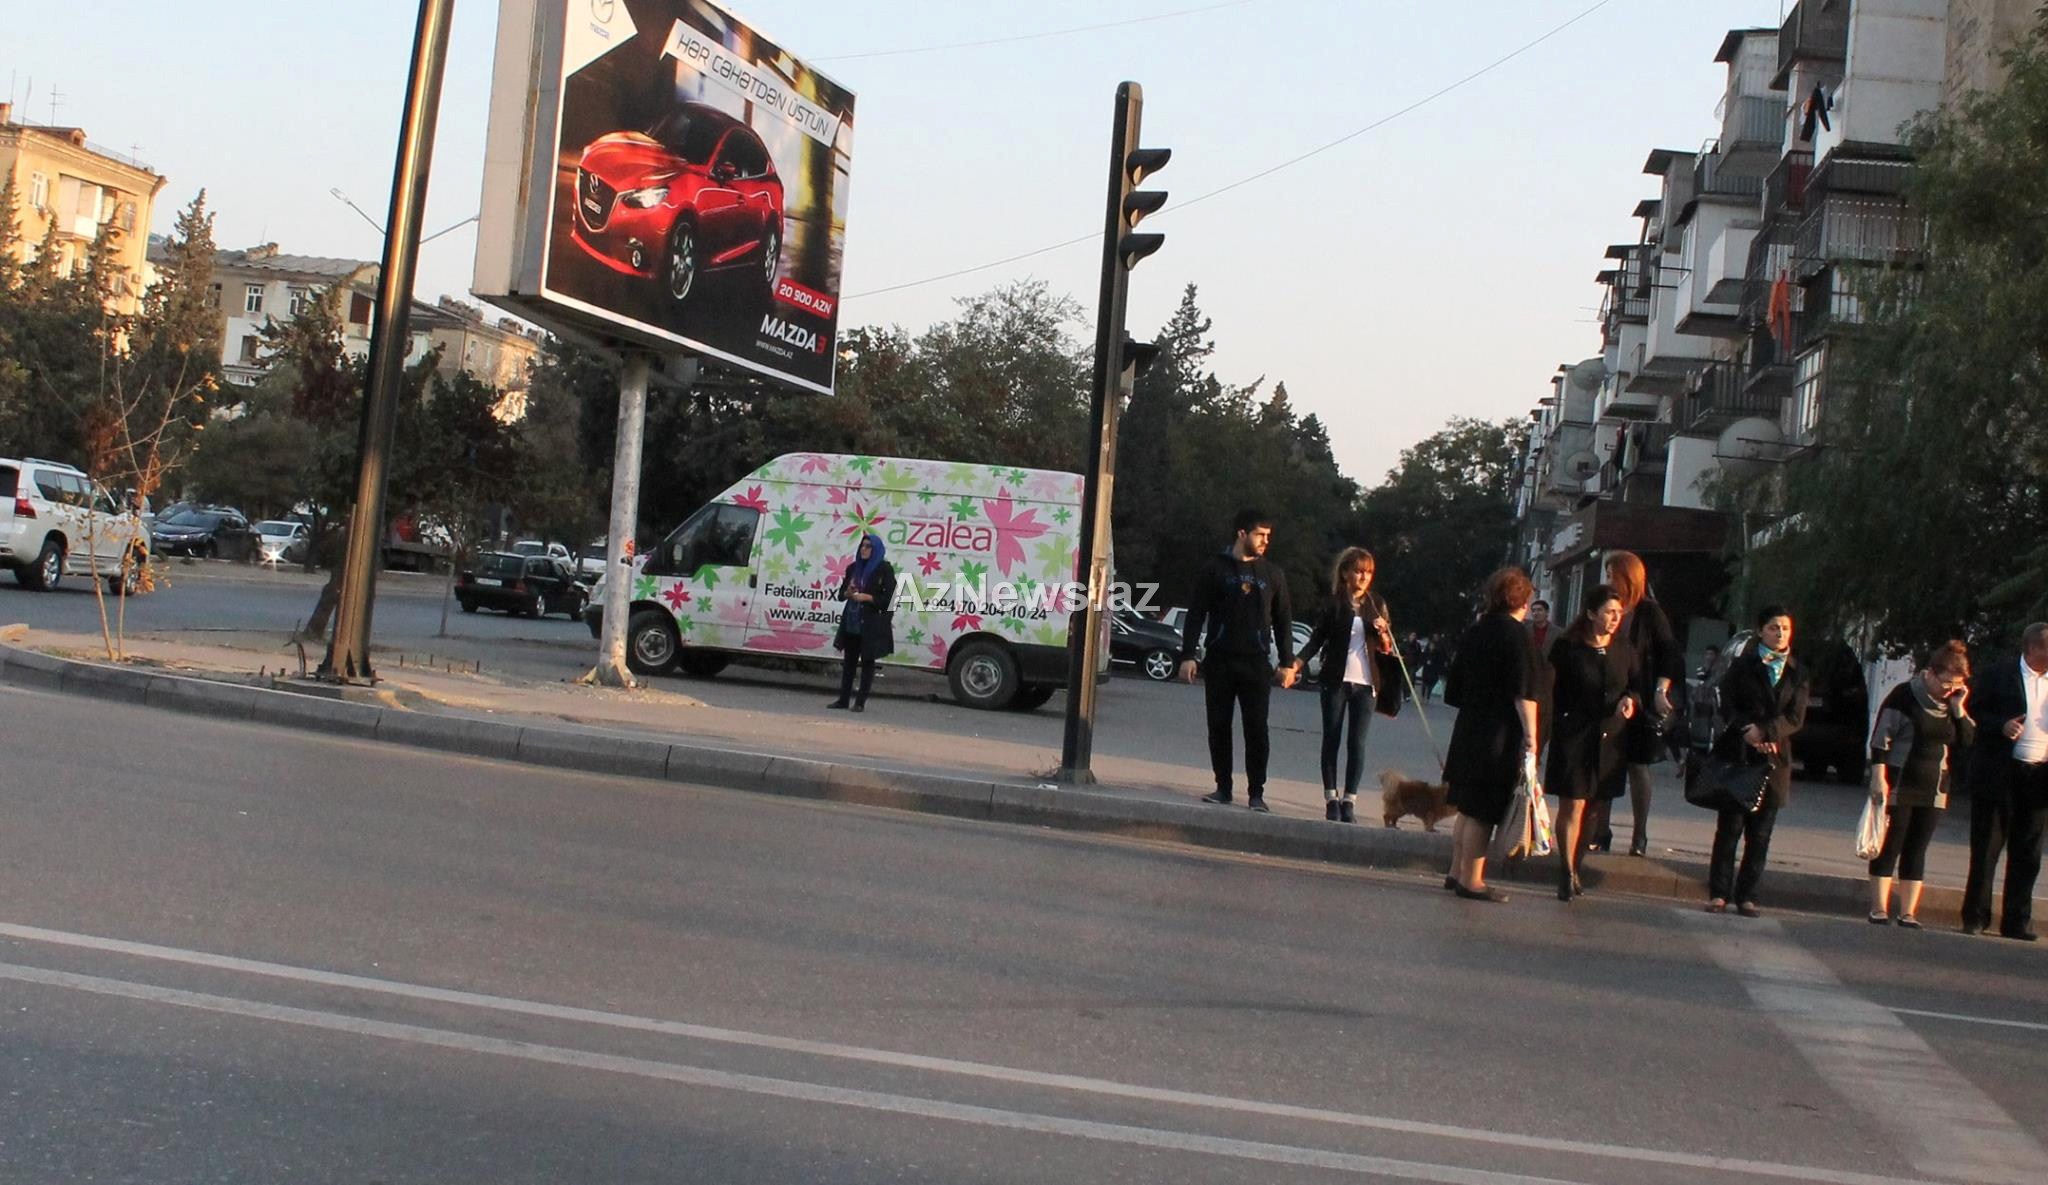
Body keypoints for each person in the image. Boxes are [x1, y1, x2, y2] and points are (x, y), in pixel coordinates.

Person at [1179, 508, 1297, 812]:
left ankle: (1257, 793)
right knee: (1219, 726)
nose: (1265, 541)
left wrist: (1287, 663)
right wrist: (1188, 655)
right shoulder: (1214, 569)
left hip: (1256, 663)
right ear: (1242, 534)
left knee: (1257, 729)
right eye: (1260, 535)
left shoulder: (1273, 574)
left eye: (1268, 536)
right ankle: (1223, 787)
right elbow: (1196, 613)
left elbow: (1283, 621)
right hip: (1220, 660)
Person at [1440, 567, 1541, 903]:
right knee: (1483, 811)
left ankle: (1456, 870)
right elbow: (1523, 692)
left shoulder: (1476, 630)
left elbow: (1453, 688)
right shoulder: (1517, 636)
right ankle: (1473, 880)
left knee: (1466, 807)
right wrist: (1531, 737)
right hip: (1499, 733)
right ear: (1523, 601)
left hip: (1469, 727)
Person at [1705, 606, 1808, 917]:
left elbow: (1795, 717)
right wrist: (1746, 728)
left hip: (1775, 756)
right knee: (1730, 829)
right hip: (1740, 753)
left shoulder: (1797, 671)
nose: (1780, 633)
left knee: (1760, 834)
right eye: (1774, 627)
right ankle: (1719, 893)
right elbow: (1726, 702)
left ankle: (1747, 895)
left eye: (1785, 628)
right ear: (1761, 630)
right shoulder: (1743, 665)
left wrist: (1769, 732)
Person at [1866, 642, 1976, 929]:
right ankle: (1879, 908)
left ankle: (1908, 912)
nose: (1949, 690)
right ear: (1930, 673)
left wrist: (1959, 709)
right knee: (1891, 844)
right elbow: (1880, 739)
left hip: (1935, 786)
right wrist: (1878, 776)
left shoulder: (1952, 704)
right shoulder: (1904, 696)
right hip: (1900, 781)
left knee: (1917, 848)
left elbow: (1967, 740)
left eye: (1956, 685)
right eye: (1946, 683)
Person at [1546, 586, 1638, 902]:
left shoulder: (1623, 648)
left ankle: (1577, 865)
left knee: (1595, 809)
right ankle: (1565, 870)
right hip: (1574, 734)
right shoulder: (1567, 646)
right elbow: (1550, 689)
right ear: (1590, 614)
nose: (1614, 619)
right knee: (1573, 803)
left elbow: (1635, 684)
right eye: (1609, 612)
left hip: (1610, 738)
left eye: (1618, 613)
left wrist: (1630, 700)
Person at [1291, 547, 1394, 822]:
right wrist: (1296, 664)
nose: (1364, 577)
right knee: (1331, 738)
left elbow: (1387, 648)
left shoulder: (1376, 604)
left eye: (1368, 572)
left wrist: (1383, 631)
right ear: (1346, 573)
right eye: (1359, 571)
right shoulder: (1333, 603)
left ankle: (1350, 800)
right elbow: (1316, 639)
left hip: (1366, 683)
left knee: (1357, 743)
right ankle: (1331, 798)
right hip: (1335, 681)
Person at [1959, 622, 2048, 940]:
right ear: (2033, 648)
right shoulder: (1999, 674)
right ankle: (1975, 916)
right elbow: (1973, 710)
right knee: (1986, 848)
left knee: (2028, 853)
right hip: (1999, 772)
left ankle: (2016, 921)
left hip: (2038, 776)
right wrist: (2001, 725)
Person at [1595, 551, 1684, 857]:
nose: (1608, 581)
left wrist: (1661, 689)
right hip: (1610, 698)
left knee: (1638, 766)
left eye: (1612, 575)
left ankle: (1639, 835)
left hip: (1641, 697)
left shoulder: (1649, 612)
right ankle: (1600, 831)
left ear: (1628, 577)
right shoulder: (1607, 606)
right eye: (1607, 575)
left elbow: (1670, 654)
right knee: (1605, 766)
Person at [827, 532, 896, 713]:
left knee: (867, 662)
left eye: (868, 546)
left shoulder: (884, 569)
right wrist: (848, 593)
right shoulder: (853, 568)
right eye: (862, 546)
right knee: (849, 662)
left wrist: (868, 597)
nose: (864, 550)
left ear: (876, 549)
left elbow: (889, 599)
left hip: (871, 623)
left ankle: (860, 702)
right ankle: (843, 699)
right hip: (852, 620)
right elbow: (841, 595)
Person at [1529, 598, 1557, 757]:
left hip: (1548, 681)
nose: (1536, 613)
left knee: (1544, 720)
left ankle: (1537, 753)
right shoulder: (1524, 630)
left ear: (1547, 613)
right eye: (1533, 610)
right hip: (1529, 677)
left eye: (1539, 610)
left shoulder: (1558, 633)